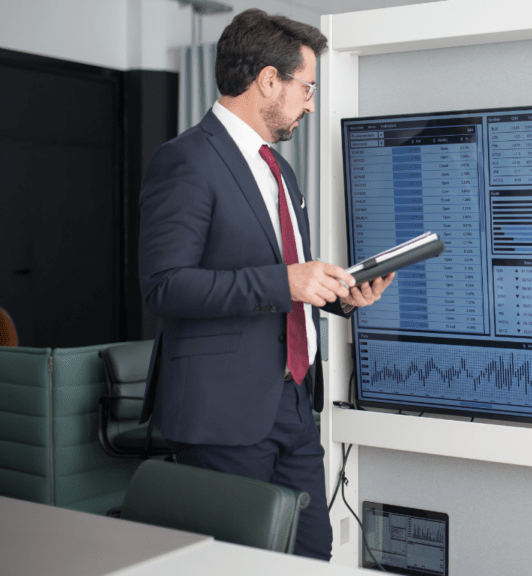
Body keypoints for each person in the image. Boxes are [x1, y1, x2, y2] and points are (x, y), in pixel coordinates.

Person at [137, 8, 392, 561]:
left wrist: (339, 296)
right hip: (223, 412)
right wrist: (285, 282)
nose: (311, 102)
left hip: (294, 403)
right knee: (244, 565)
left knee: (312, 557)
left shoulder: (279, 169)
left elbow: (286, 285)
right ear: (268, 80)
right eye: (307, 87)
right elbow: (165, 286)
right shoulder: (185, 161)